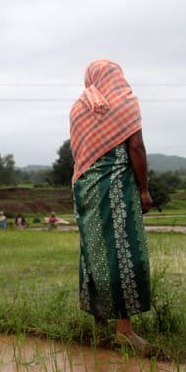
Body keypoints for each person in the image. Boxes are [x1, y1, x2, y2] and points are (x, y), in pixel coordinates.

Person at [70, 60, 152, 350]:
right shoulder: (125, 101)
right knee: (121, 251)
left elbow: (78, 154)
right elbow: (136, 147)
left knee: (94, 251)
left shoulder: (79, 108)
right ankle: (124, 330)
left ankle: (99, 324)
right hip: (114, 187)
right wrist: (143, 189)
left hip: (84, 187)